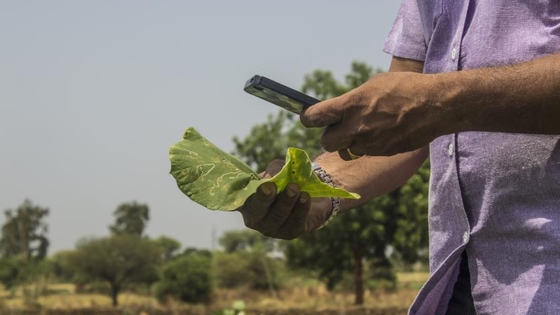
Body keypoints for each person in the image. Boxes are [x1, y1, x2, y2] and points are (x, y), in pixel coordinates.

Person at [238, 0, 560, 314]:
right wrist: (317, 188)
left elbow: (426, 106)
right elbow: (406, 121)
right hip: (458, 281)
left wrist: (441, 104)